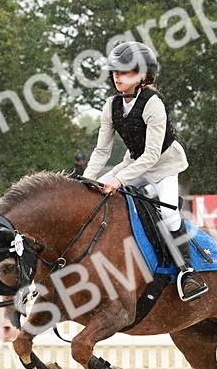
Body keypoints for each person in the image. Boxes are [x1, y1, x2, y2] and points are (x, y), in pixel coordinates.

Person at [83, 41, 206, 301]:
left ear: (142, 76)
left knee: (170, 217)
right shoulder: (111, 105)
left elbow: (152, 155)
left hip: (163, 167)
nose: (117, 76)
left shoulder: (153, 104)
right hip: (133, 163)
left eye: (124, 71)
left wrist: (118, 179)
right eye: (114, 71)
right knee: (93, 195)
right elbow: (102, 152)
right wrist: (86, 180)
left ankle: (188, 273)